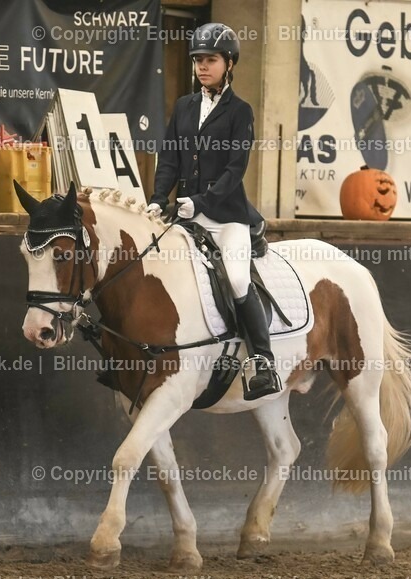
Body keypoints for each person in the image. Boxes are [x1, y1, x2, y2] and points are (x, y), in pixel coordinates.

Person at [146, 22, 281, 401]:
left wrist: (201, 202)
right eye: (198, 61)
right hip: (185, 216)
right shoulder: (184, 107)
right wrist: (158, 198)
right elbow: (169, 159)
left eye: (211, 60)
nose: (202, 67)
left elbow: (235, 170)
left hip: (227, 218)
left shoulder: (240, 111)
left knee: (236, 280)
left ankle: (263, 362)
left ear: (229, 63)